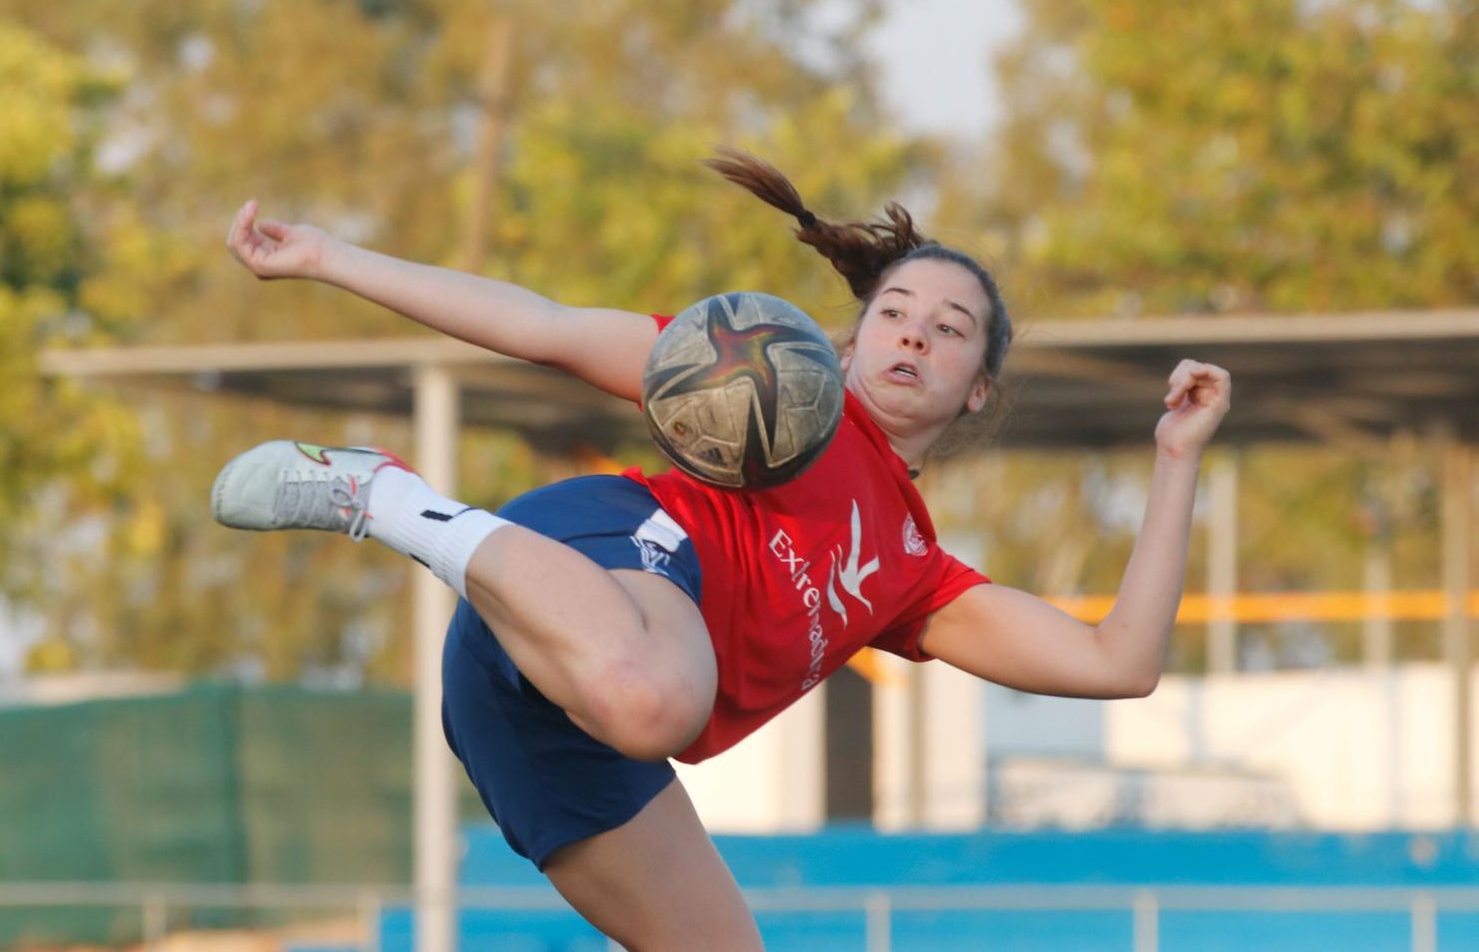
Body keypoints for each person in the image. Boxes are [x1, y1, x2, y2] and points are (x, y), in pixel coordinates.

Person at [212, 151, 1231, 951]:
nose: (913, 336)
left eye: (949, 328)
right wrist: (327, 258)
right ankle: (384, 494)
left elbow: (1117, 663)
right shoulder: (772, 380)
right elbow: (544, 326)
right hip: (596, 565)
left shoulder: (914, 573)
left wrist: (1174, 456)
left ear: (977, 387)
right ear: (848, 336)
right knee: (658, 697)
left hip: (553, 724)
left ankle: (428, 524)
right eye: (894, 312)